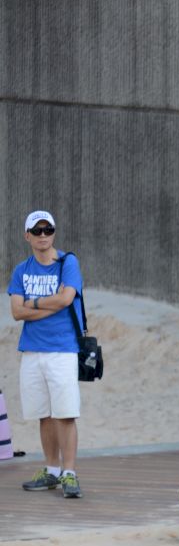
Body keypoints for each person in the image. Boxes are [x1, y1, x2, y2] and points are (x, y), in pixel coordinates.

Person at [8, 211, 85, 498]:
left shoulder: (68, 262)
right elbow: (16, 312)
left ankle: (70, 473)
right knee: (44, 415)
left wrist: (35, 303)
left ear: (53, 232)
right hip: (32, 351)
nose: (43, 235)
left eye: (47, 230)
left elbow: (67, 299)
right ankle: (52, 470)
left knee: (65, 414)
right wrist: (50, 305)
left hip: (62, 349)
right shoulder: (21, 270)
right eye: (36, 231)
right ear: (27, 235)